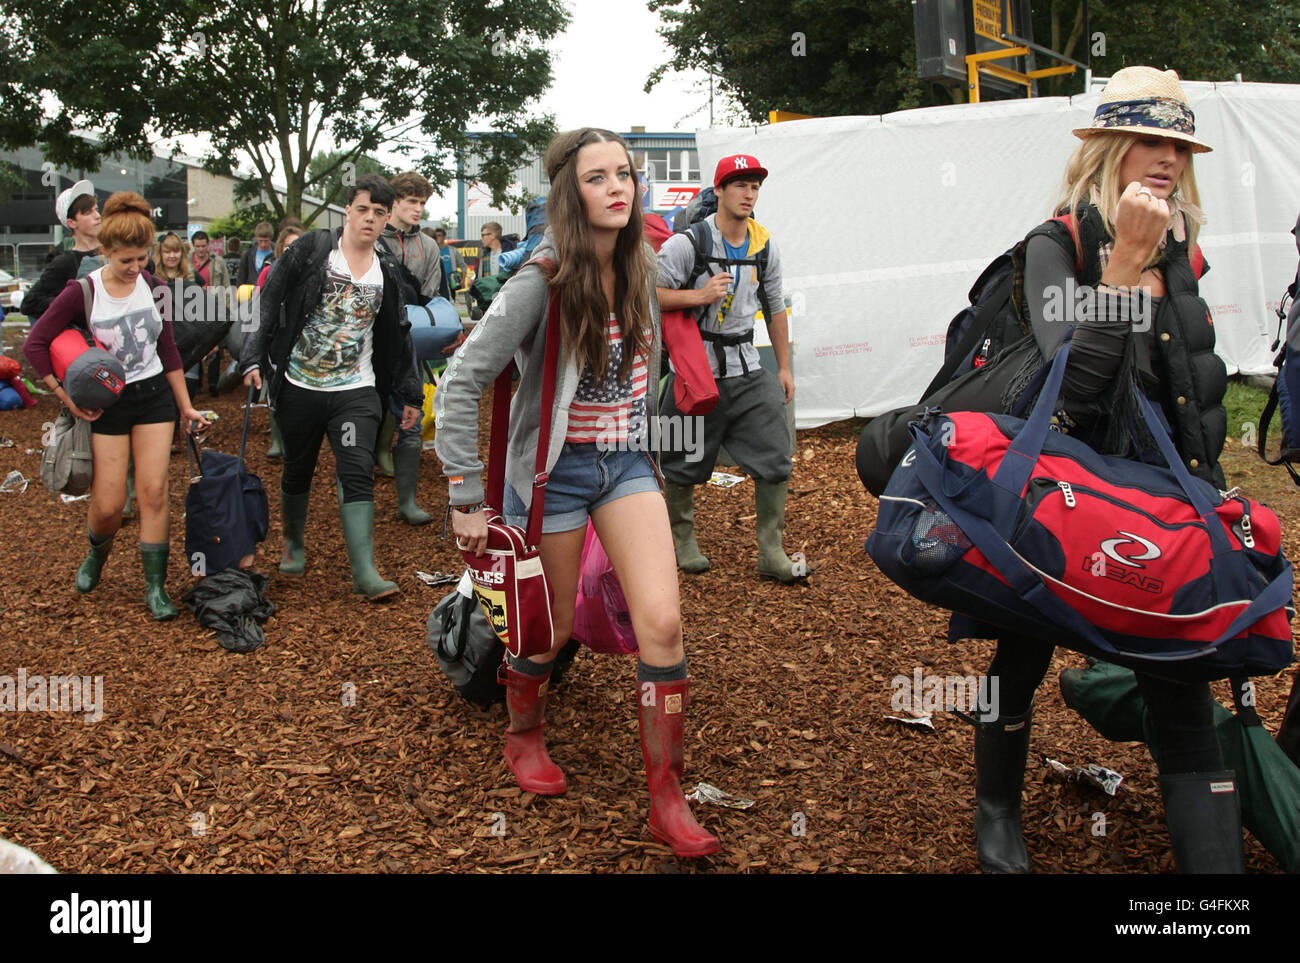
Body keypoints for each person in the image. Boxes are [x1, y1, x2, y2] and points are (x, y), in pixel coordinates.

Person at [963, 67, 1242, 874]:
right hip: (1069, 496)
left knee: (1182, 677)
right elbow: (1074, 391)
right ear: (1110, 148)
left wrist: (1208, 482)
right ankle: (995, 815)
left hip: (1164, 501)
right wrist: (1123, 263)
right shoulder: (1058, 245)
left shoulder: (1184, 248)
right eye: (1150, 140)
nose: (1167, 159)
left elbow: (1189, 383)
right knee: (1020, 655)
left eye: (1180, 145)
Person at [435, 128, 720, 859]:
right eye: (598, 177)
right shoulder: (542, 278)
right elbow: (463, 378)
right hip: (554, 473)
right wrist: (466, 493)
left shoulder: (641, 267)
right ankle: (522, 731)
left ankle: (667, 795)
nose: (618, 187)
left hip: (625, 465)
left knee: (663, 622)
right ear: (571, 191)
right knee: (550, 630)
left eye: (624, 173)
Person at [22, 191, 209, 619]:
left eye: (142, 259)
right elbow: (36, 343)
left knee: (154, 491)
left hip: (154, 399)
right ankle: (96, 555)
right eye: (126, 260)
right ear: (105, 251)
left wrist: (185, 407)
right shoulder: (82, 291)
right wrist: (67, 398)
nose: (135, 269)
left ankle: (155, 588)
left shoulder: (155, 287)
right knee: (107, 504)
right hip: (109, 403)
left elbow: (169, 351)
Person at [240, 175, 422, 601]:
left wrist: (410, 391)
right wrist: (252, 357)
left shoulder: (387, 268)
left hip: (356, 390)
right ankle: (293, 546)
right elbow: (269, 301)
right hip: (299, 384)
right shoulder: (313, 250)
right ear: (347, 210)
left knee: (356, 470)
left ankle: (365, 571)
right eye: (363, 210)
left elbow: (400, 331)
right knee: (297, 468)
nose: (371, 220)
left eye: (380, 213)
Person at [655, 154, 804, 582]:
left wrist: (785, 368)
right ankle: (682, 541)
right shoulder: (688, 243)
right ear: (719, 190)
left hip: (747, 367)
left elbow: (775, 307)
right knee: (678, 454)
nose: (748, 193)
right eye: (739, 184)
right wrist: (698, 297)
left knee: (776, 456)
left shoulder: (764, 245)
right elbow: (648, 295)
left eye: (754, 185)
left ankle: (771, 551)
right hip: (692, 370)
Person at [376, 171, 443, 525]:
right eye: (411, 202)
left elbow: (434, 297)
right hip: (371, 342)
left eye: (422, 203)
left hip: (410, 344)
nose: (418, 209)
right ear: (394, 203)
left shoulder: (429, 247)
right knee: (367, 414)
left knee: (412, 418)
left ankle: (407, 500)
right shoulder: (372, 239)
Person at [20, 180, 101, 320]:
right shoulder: (65, 261)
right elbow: (30, 303)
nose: (97, 216)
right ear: (72, 222)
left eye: (97, 209)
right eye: (88, 212)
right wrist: (73, 304)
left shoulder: (115, 250)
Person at [430, 227, 466, 300]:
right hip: (436, 281)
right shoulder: (432, 250)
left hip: (450, 281)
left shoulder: (453, 250)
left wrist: (463, 279)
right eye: (436, 236)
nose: (437, 237)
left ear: (444, 237)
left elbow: (463, 265)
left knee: (450, 300)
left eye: (439, 235)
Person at [236, 221, 275, 286]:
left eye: (266, 241)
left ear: (271, 238)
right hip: (251, 292)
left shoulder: (277, 253)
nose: (263, 244)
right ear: (256, 238)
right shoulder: (248, 254)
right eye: (260, 240)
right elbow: (241, 277)